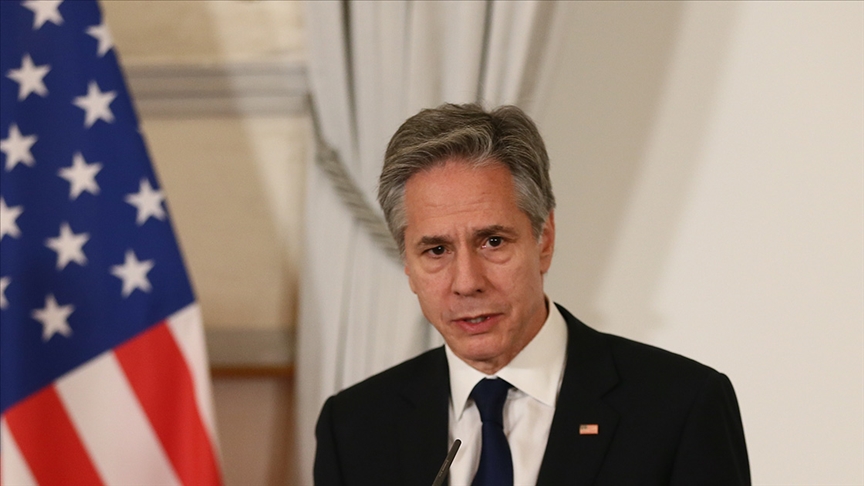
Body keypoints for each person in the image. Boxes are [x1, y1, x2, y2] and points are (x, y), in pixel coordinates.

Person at [313, 103, 750, 485]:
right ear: (408, 265)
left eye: (493, 242)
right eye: (437, 250)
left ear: (544, 239)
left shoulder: (681, 406)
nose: (467, 282)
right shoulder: (354, 427)